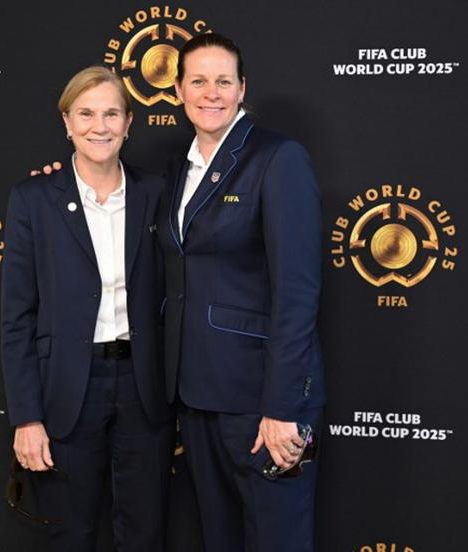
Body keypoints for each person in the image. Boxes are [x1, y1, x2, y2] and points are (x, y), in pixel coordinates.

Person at [155, 33, 326, 552]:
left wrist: (282, 407)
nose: (212, 93)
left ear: (242, 88)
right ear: (179, 92)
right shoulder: (176, 171)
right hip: (196, 397)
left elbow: (298, 292)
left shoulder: (277, 158)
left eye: (223, 81)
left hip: (259, 402)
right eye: (198, 81)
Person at [1, 66, 173, 552]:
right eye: (87, 113)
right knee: (70, 534)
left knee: (144, 532)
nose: (100, 126)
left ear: (129, 122)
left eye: (111, 113)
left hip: (144, 387)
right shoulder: (33, 199)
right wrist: (26, 417)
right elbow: (17, 317)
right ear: (67, 123)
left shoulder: (156, 193)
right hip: (67, 389)